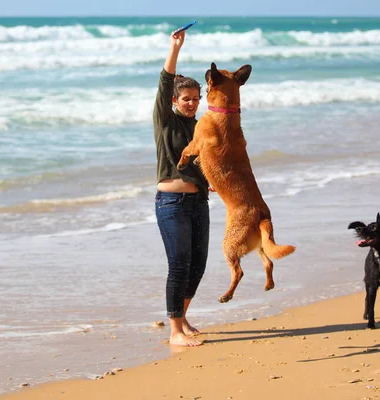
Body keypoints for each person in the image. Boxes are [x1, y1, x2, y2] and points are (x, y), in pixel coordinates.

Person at [153, 29, 210, 347]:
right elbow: (164, 83)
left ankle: (183, 316)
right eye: (186, 99)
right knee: (179, 262)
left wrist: (210, 181)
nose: (192, 103)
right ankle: (175, 330)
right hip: (171, 202)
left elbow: (201, 163)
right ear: (174, 101)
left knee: (198, 265)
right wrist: (175, 48)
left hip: (198, 202)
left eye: (195, 99)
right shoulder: (166, 121)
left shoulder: (200, 126)